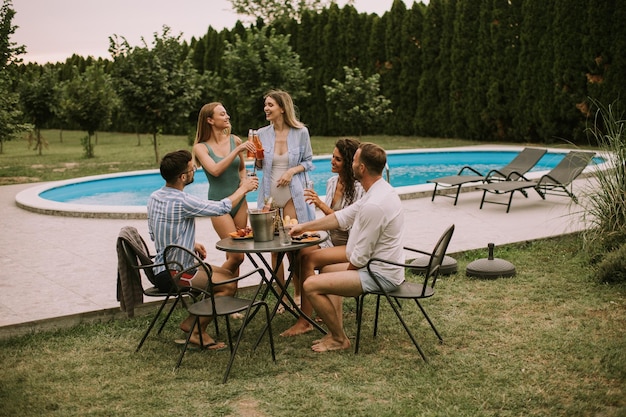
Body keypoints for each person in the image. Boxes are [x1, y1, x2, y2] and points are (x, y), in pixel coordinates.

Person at [289, 143, 405, 352]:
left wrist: (342, 282)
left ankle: (339, 339)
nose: (350, 164)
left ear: (362, 168)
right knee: (325, 271)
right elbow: (342, 217)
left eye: (353, 161)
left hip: (379, 273)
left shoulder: (374, 205)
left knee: (311, 285)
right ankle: (335, 329)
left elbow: (360, 258)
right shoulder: (379, 190)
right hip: (375, 265)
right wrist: (303, 227)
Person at [147, 149, 258, 349]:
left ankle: (192, 321)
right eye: (192, 169)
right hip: (175, 273)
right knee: (228, 286)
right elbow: (220, 208)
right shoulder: (182, 201)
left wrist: (189, 244)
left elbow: (155, 233)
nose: (195, 171)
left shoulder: (154, 197)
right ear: (183, 177)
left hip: (161, 267)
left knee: (226, 274)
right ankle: (197, 331)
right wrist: (244, 188)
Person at [280, 138, 365, 337]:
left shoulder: (360, 188)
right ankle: (316, 305)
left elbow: (346, 222)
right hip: (330, 241)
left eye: (338, 159)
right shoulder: (332, 182)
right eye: (332, 157)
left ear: (350, 162)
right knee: (299, 249)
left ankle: (305, 321)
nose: (332, 161)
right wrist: (310, 231)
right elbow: (330, 222)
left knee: (309, 259)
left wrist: (319, 204)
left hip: (350, 244)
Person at [255, 90, 315, 300]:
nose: (266, 109)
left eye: (270, 105)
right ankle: (281, 297)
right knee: (274, 251)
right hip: (269, 197)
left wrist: (290, 171)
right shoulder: (261, 133)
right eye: (265, 105)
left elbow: (308, 162)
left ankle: (298, 294)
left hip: (291, 195)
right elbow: (260, 166)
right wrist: (256, 156)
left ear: (282, 107)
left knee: (293, 248)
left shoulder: (301, 132)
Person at [192, 102, 257, 275]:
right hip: (218, 204)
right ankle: (214, 285)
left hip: (240, 201)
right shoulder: (201, 148)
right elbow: (215, 170)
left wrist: (245, 183)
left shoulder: (234, 140)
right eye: (222, 114)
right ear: (210, 120)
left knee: (235, 253)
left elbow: (241, 168)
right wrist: (237, 150)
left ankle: (229, 295)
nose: (227, 116)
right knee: (237, 256)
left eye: (226, 113)